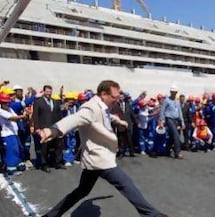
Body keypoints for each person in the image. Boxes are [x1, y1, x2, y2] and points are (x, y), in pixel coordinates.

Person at [39, 80, 169, 217]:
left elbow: (107, 115)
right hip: (99, 158)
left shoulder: (103, 105)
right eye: (114, 98)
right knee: (125, 184)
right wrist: (53, 130)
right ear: (103, 94)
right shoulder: (90, 108)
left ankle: (50, 216)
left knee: (82, 191)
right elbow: (74, 119)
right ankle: (153, 215)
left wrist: (119, 121)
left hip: (94, 159)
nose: (116, 101)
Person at [33, 85, 64, 172]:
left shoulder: (55, 102)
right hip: (44, 128)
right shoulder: (38, 102)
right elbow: (35, 116)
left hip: (55, 127)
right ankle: (44, 164)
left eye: (50, 92)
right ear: (43, 92)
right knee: (45, 147)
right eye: (47, 91)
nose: (49, 93)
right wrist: (37, 128)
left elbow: (59, 115)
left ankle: (57, 163)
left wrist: (61, 126)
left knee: (58, 145)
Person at [158, 85, 184, 159]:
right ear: (170, 92)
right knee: (176, 135)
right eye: (172, 92)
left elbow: (180, 112)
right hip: (169, 119)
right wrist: (161, 120)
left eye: (175, 92)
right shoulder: (167, 100)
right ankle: (177, 152)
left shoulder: (177, 101)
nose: (174, 93)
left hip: (176, 120)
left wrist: (182, 121)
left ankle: (167, 150)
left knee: (172, 137)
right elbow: (162, 111)